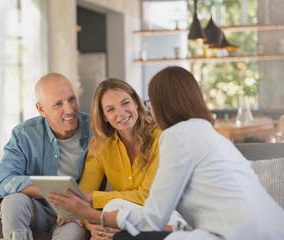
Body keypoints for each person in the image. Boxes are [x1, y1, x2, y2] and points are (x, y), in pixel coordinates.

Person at [48, 66, 284, 240]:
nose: (121, 112)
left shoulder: (172, 136)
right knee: (117, 213)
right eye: (110, 109)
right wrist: (92, 219)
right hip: (270, 228)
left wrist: (92, 212)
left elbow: (153, 215)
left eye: (147, 101)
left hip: (235, 233)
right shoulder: (206, 132)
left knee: (123, 233)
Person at [78, 78, 187, 239]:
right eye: (110, 109)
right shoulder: (100, 145)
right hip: (131, 221)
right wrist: (91, 225)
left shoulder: (161, 138)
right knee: (107, 224)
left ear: (136, 102)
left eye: (125, 103)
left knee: (113, 207)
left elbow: (147, 196)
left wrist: (94, 197)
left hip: (171, 218)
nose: (120, 113)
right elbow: (81, 199)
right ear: (104, 117)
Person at [0, 73, 91, 240]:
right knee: (13, 201)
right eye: (58, 104)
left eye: (71, 99)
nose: (69, 109)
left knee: (74, 234)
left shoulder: (94, 130)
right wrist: (51, 192)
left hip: (73, 214)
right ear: (41, 109)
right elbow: (2, 182)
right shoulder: (24, 134)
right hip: (39, 208)